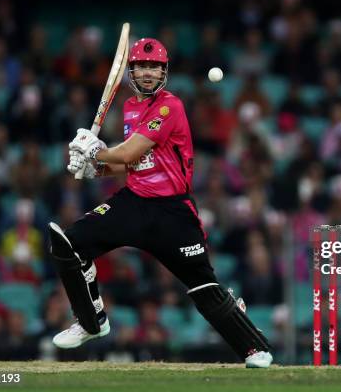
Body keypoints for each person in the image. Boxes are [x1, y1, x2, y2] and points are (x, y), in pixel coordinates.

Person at [49, 37, 272, 368]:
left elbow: (128, 152)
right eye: (142, 66)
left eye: (155, 67)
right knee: (69, 244)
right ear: (133, 71)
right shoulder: (130, 107)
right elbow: (129, 164)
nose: (149, 73)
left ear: (164, 71)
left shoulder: (170, 106)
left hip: (173, 212)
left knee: (203, 286)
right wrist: (92, 168)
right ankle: (91, 321)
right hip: (135, 202)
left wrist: (94, 150)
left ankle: (254, 347)